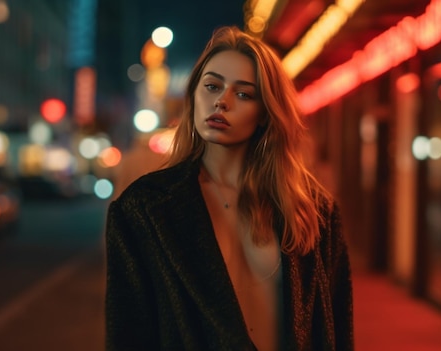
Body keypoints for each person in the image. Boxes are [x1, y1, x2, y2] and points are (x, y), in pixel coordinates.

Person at [104, 26, 354, 350]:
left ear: (265, 112)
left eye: (243, 94)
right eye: (212, 86)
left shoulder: (314, 210)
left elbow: (337, 328)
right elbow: (128, 337)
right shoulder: (142, 209)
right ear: (193, 96)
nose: (221, 101)